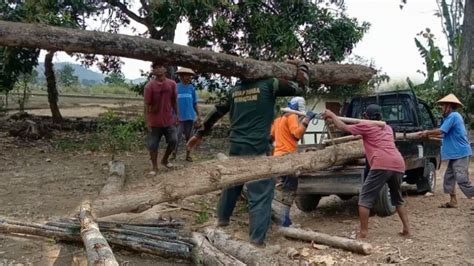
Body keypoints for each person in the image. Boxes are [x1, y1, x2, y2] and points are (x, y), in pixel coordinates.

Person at [187, 61, 310, 247]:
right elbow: (301, 88)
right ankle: (257, 240)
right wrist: (302, 68)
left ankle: (222, 220)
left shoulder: (235, 90)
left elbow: (216, 111)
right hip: (258, 148)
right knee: (261, 193)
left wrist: (200, 134)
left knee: (233, 182)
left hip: (236, 145)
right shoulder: (270, 84)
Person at [323, 104, 410, 239]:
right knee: (397, 198)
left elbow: (343, 127)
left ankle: (363, 233)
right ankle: (407, 229)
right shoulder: (387, 128)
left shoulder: (366, 126)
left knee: (364, 199)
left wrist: (331, 115)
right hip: (398, 163)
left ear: (366, 116)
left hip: (382, 163)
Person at [416, 93, 473, 208]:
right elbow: (443, 135)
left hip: (460, 153)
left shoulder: (454, 116)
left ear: (449, 106)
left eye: (443, 106)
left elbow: (441, 131)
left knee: (462, 179)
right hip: (455, 153)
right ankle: (453, 201)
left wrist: (427, 132)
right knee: (448, 178)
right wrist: (428, 136)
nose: (441, 108)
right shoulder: (449, 118)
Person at [271, 96, 316, 227]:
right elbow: (296, 134)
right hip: (288, 159)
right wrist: (307, 120)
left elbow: (273, 135)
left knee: (279, 189)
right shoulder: (291, 116)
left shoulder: (278, 119)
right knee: (289, 190)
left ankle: (281, 219)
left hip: (277, 158)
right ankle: (284, 221)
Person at [144, 62, 178, 174]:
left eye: (160, 67)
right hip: (155, 121)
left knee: (173, 140)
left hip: (168, 120)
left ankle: (164, 160)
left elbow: (174, 101)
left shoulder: (172, 84)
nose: (158, 69)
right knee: (153, 145)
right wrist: (147, 121)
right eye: (155, 68)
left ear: (165, 69)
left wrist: (178, 115)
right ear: (153, 71)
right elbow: (146, 105)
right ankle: (154, 167)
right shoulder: (149, 86)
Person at [172, 67, 201, 162]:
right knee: (176, 137)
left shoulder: (191, 88)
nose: (189, 78)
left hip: (190, 117)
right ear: (181, 76)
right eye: (187, 76)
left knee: (190, 138)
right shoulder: (176, 87)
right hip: (178, 118)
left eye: (190, 76)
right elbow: (171, 103)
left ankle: (188, 155)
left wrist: (199, 116)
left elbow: (195, 103)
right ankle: (173, 154)